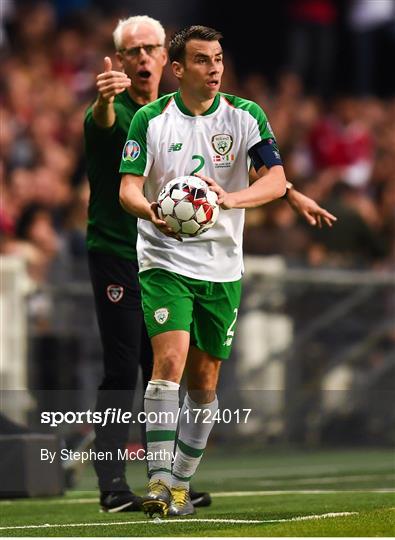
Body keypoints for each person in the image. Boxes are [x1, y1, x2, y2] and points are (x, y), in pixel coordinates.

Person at [119, 25, 337, 517]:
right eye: (202, 60)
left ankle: (180, 484)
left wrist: (226, 199)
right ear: (178, 69)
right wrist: (151, 210)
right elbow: (128, 189)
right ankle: (156, 482)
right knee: (168, 364)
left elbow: (276, 178)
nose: (214, 68)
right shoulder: (151, 120)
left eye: (218, 59)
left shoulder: (246, 116)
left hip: (221, 265)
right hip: (164, 258)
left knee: (205, 381)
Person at [84, 15, 210, 513]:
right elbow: (101, 123)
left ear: (165, 59)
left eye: (150, 49)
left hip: (162, 258)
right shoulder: (108, 111)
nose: (141, 58)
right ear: (119, 59)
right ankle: (112, 484)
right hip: (116, 254)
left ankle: (168, 481)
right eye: (131, 50)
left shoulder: (175, 117)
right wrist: (102, 100)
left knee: (162, 369)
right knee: (121, 371)